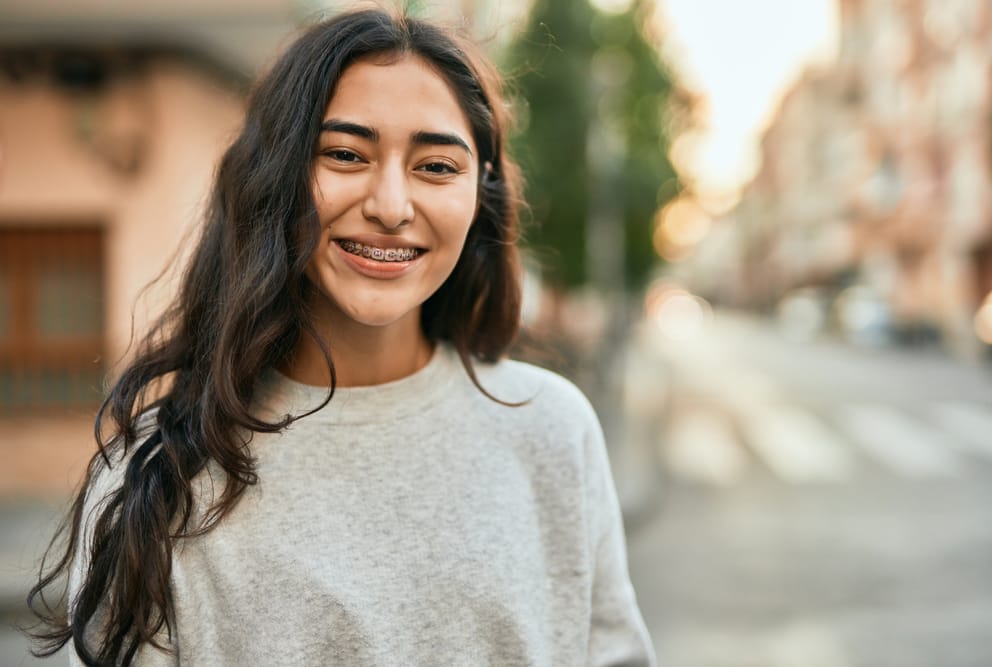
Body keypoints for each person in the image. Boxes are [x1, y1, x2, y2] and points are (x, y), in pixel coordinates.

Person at [28, 6, 655, 666]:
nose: (390, 205)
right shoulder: (159, 476)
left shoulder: (552, 429)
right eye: (346, 154)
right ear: (276, 178)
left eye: (437, 166)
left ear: (480, 195)